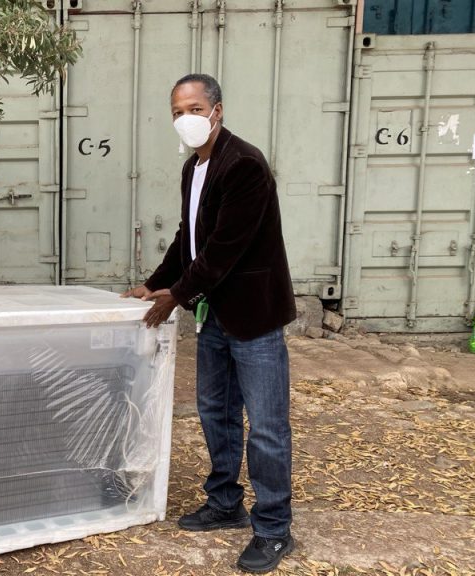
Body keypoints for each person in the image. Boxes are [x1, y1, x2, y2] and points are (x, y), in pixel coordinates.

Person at [122, 73, 296, 574]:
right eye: (177, 112)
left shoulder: (244, 165)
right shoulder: (193, 167)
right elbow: (189, 237)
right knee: (216, 411)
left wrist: (176, 296)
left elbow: (223, 249)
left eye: (195, 109)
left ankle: (274, 529)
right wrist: (155, 283)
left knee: (266, 425)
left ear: (217, 111)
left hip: (254, 314)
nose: (186, 119)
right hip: (215, 311)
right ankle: (224, 503)